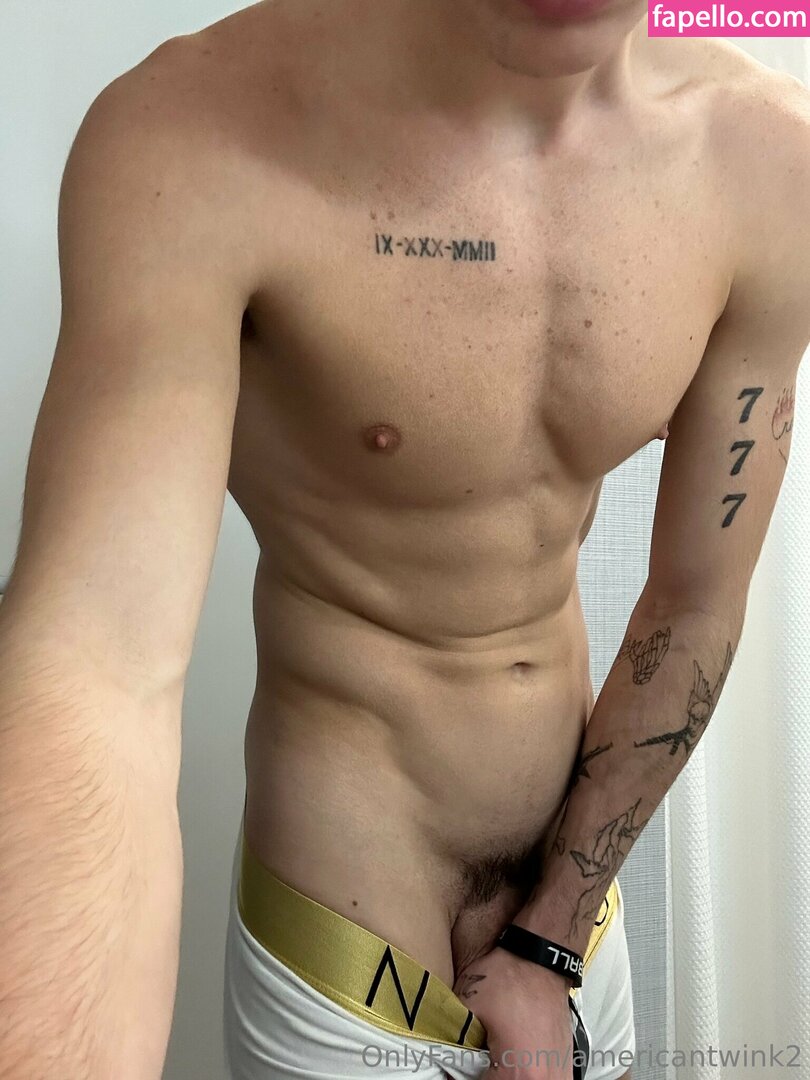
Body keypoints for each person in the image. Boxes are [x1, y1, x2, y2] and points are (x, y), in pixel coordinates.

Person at [0, 0, 808, 1077]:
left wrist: (551, 940)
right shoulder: (195, 139)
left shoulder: (765, 161)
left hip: (573, 925)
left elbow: (697, 601)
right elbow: (92, 665)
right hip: (338, 950)